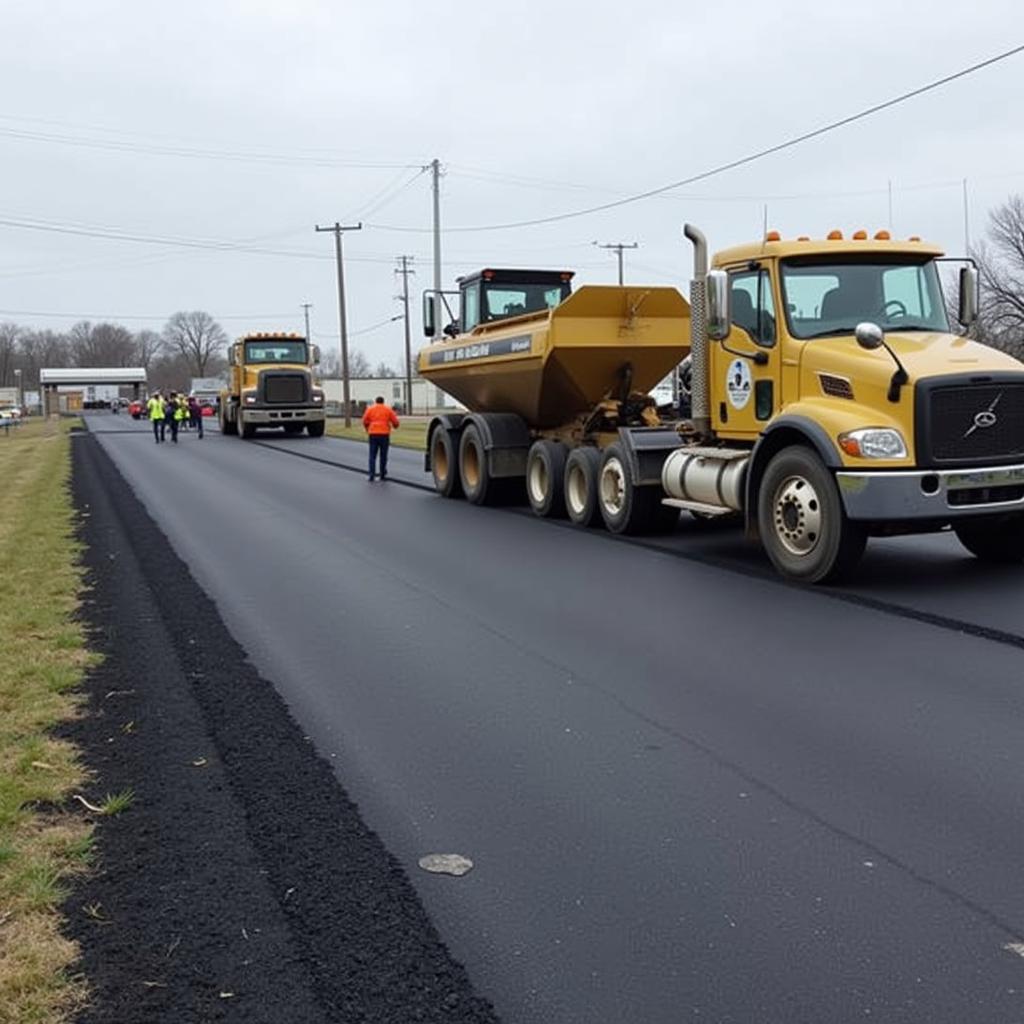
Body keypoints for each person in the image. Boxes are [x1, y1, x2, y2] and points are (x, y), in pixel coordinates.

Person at [362, 395, 400, 481]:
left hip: (373, 434)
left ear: (376, 402)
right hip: (384, 434)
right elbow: (395, 422)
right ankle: (382, 474)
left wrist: (367, 428)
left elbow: (364, 420)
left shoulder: (370, 409)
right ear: (383, 402)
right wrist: (395, 426)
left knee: (372, 455)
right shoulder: (388, 410)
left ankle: (371, 475)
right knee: (383, 455)